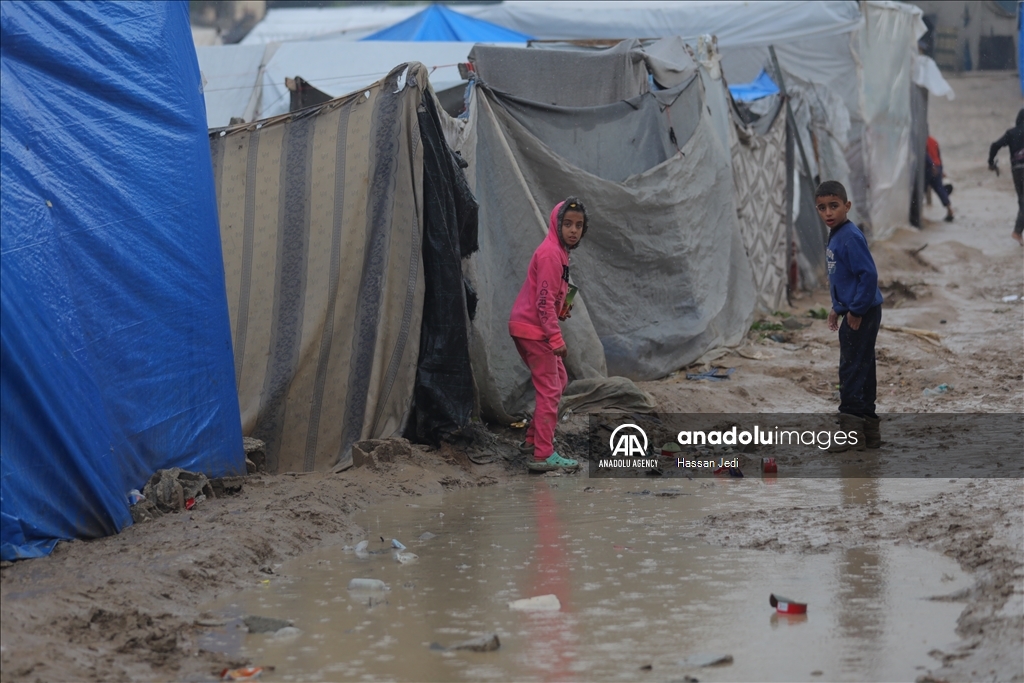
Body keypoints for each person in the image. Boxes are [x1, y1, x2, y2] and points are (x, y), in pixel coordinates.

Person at [509, 198, 588, 471]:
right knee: (551, 389)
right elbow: (543, 303)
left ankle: (533, 439)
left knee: (558, 378)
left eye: (579, 225)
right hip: (535, 329)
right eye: (567, 224)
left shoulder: (560, 253)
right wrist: (556, 339)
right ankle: (543, 454)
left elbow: (548, 297)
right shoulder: (551, 254)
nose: (573, 230)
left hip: (530, 325)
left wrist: (561, 308)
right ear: (557, 224)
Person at [817, 181, 884, 451]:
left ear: (847, 206)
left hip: (863, 310)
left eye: (834, 206)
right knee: (863, 366)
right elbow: (844, 277)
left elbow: (868, 275)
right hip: (858, 308)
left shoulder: (850, 236)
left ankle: (851, 434)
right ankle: (869, 433)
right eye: (822, 208)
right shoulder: (837, 234)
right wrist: (838, 307)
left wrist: (855, 311)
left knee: (851, 368)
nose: (828, 212)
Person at [988, 108, 1024, 246]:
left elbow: (995, 145)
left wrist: (991, 162)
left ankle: (1018, 232)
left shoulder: (1011, 133)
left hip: (1016, 170)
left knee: (1022, 200)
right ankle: (1017, 232)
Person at [925, 135, 954, 222]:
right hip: (937, 167)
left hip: (929, 168)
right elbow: (938, 156)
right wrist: (941, 170)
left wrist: (932, 166)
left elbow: (925, 155)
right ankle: (949, 210)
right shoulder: (934, 141)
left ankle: (917, 215)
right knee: (940, 188)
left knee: (920, 190)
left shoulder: (922, 141)